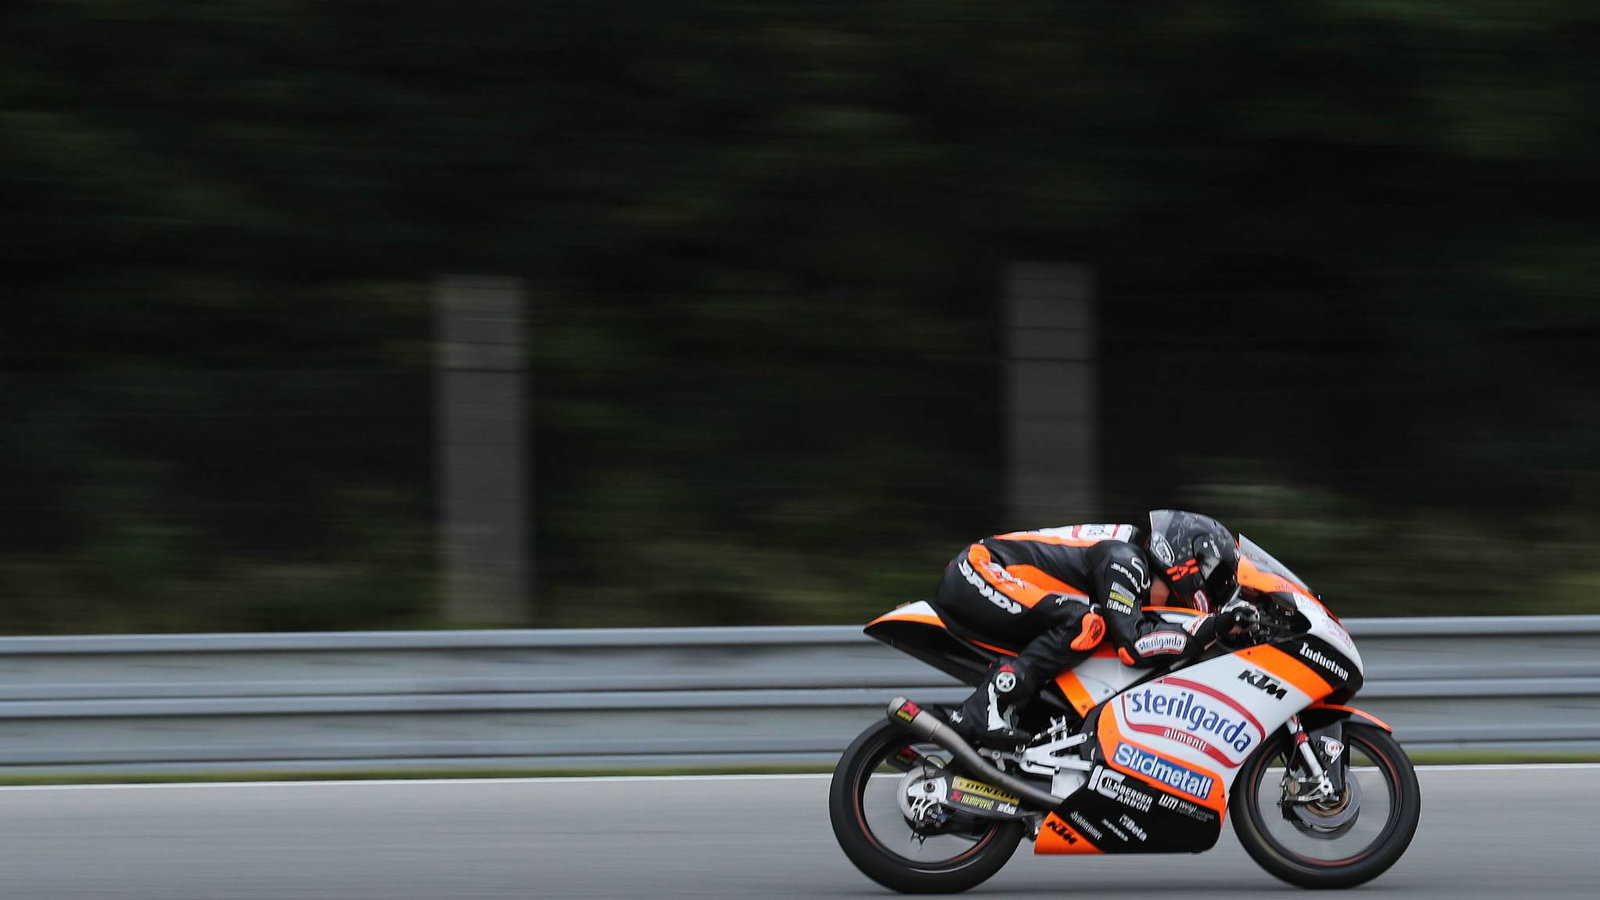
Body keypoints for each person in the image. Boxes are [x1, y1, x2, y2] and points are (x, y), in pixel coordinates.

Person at [932, 509, 1257, 748]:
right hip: (978, 570)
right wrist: (1213, 627)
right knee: (1086, 624)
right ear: (1183, 558)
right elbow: (1134, 646)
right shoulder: (1125, 559)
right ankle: (982, 708)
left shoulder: (1129, 557)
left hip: (993, 578)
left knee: (1089, 631)